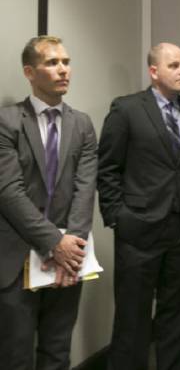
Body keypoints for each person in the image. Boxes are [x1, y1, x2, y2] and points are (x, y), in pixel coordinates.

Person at [98, 43, 180, 370]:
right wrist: (118, 218)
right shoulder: (126, 110)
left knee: (176, 322)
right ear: (154, 71)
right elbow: (108, 168)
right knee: (131, 323)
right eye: (174, 65)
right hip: (138, 233)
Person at [0, 36, 97, 370]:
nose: (63, 70)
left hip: (68, 260)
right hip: (16, 258)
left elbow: (86, 189)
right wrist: (54, 243)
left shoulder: (82, 123)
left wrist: (72, 249)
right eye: (52, 63)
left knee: (58, 354)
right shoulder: (7, 121)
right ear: (29, 71)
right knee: (16, 357)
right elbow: (8, 192)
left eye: (66, 62)